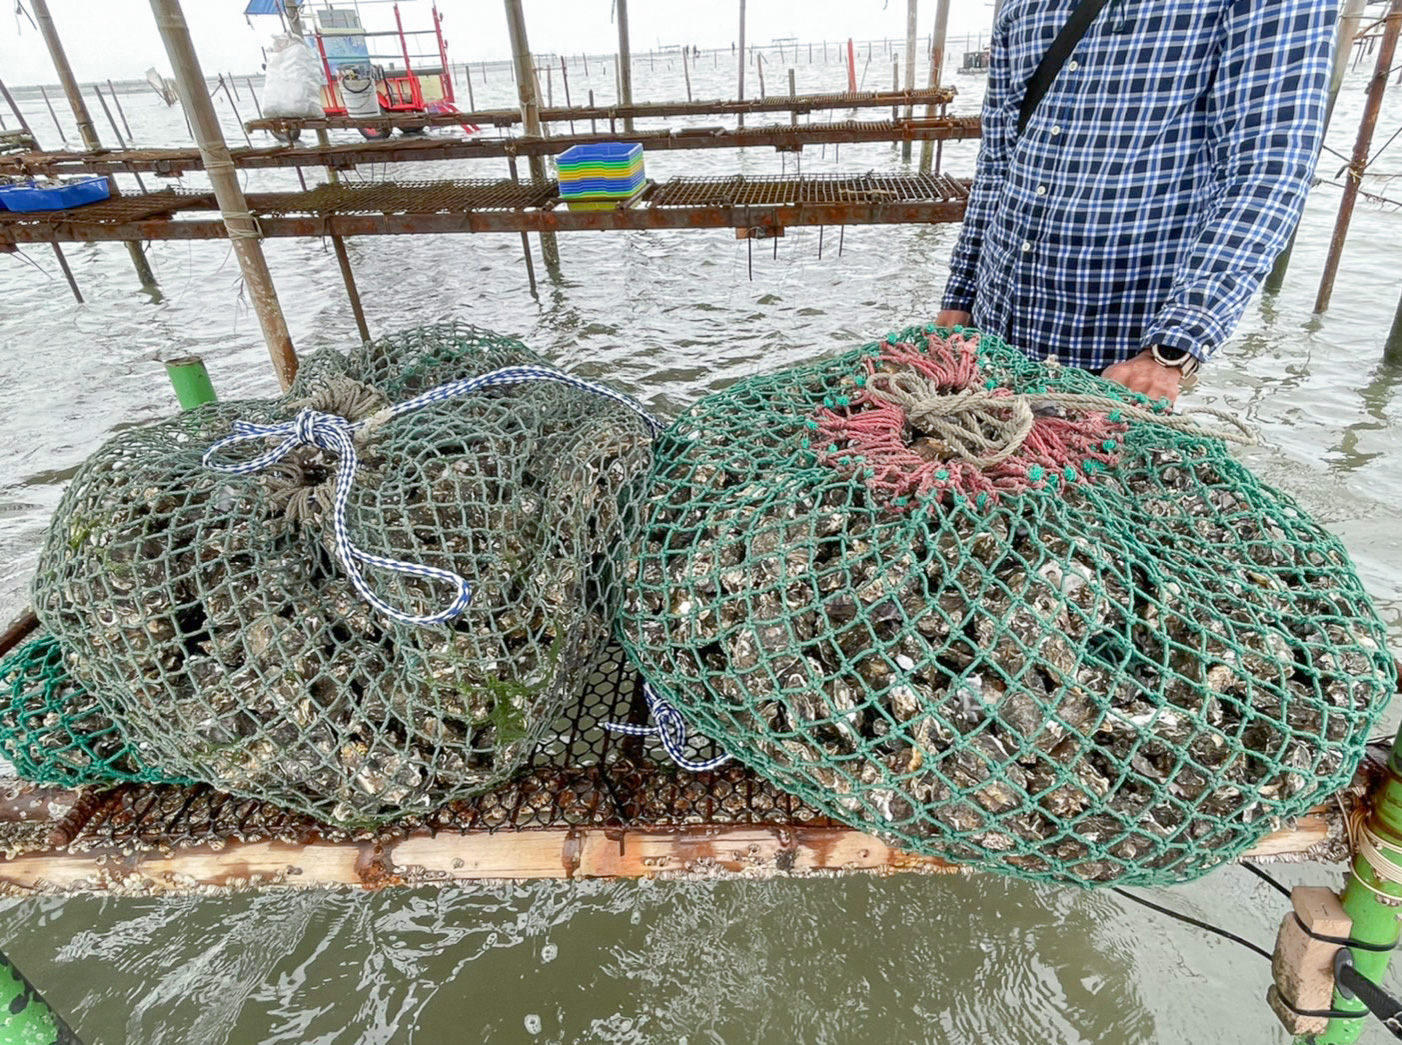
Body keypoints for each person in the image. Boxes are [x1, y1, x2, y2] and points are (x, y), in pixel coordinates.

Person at [935, 0, 1339, 404]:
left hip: (1122, 354)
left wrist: (1172, 349)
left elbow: (1266, 168)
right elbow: (997, 158)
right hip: (990, 334)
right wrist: (959, 297)